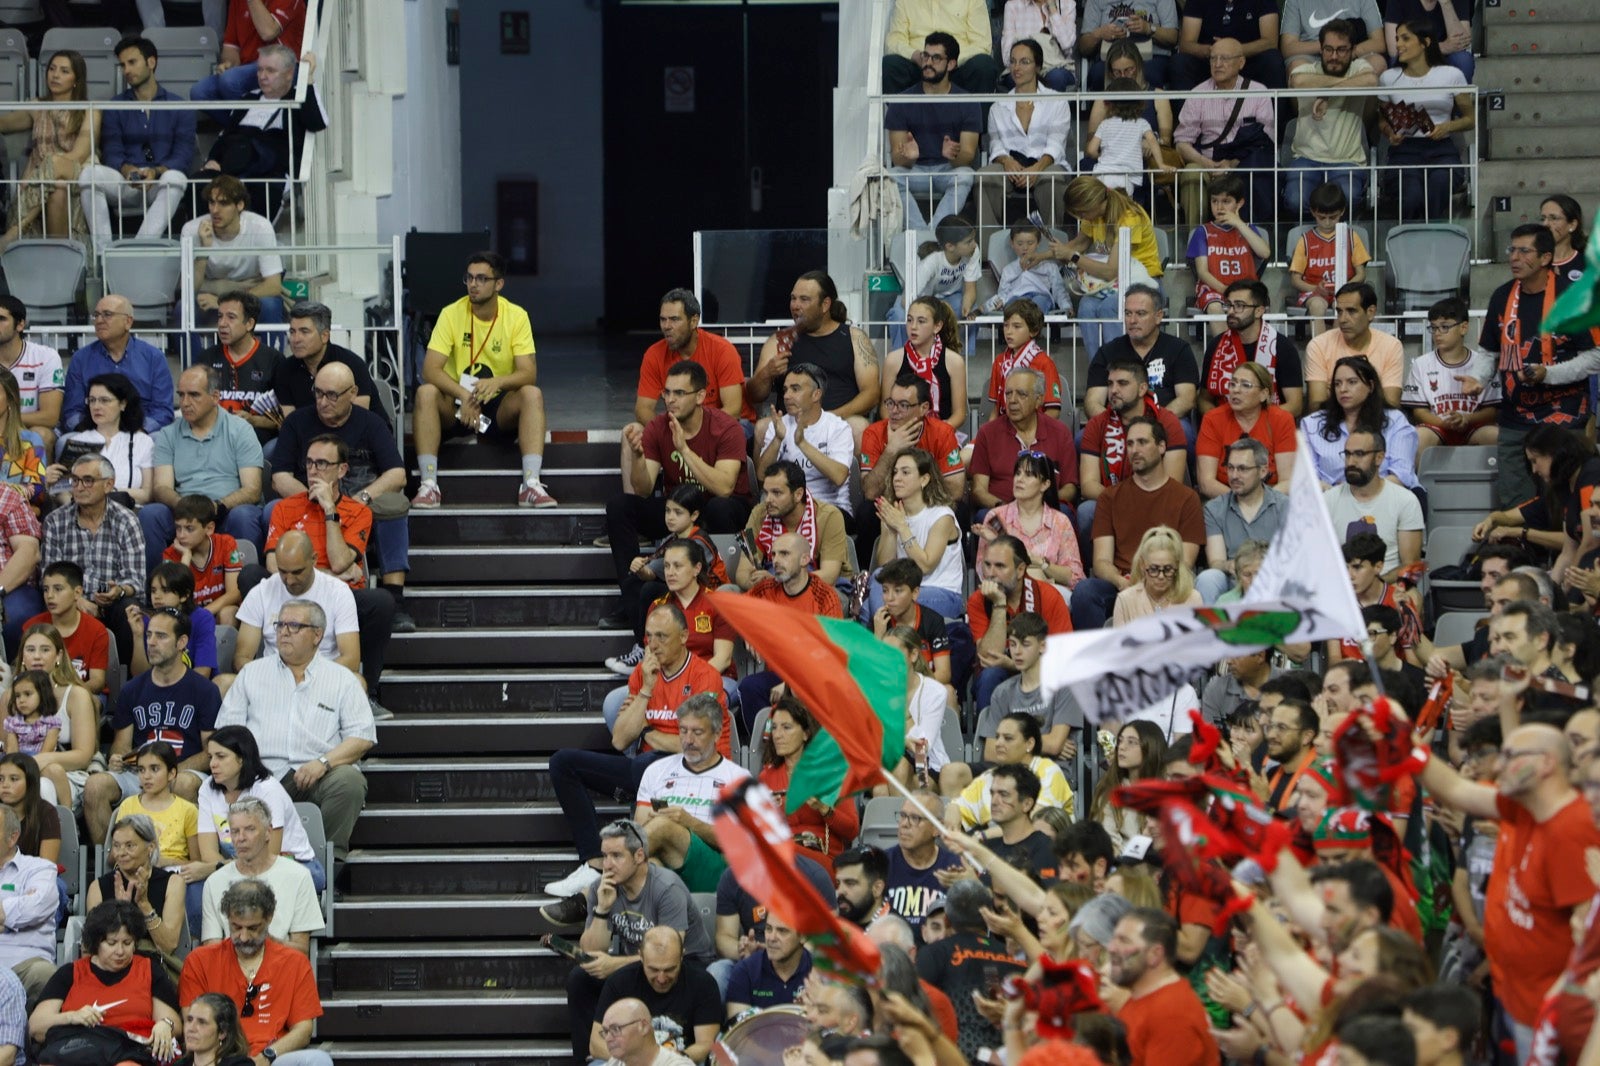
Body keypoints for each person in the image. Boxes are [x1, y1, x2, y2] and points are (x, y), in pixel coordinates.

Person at [1415, 718, 1600, 1063]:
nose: (1499, 765)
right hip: (1512, 995)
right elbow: (1457, 790)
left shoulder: (1573, 830)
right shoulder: (1527, 805)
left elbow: (1588, 935)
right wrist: (1407, 745)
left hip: (1544, 1013)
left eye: (1511, 756)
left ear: (1546, 764)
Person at [543, 604, 729, 910]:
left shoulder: (703, 677)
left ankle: (605, 883)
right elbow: (619, 739)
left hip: (690, 774)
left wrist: (647, 732)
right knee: (563, 763)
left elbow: (695, 745)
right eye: (648, 637)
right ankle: (594, 861)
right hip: (643, 772)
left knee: (646, 763)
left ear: (684, 636)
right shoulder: (644, 674)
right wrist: (646, 689)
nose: (653, 645)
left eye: (661, 637)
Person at [215, 599, 376, 863]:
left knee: (349, 781)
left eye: (294, 626)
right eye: (280, 625)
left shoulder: (342, 679)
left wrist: (323, 763)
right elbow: (226, 734)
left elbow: (362, 737)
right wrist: (248, 770)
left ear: (317, 635)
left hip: (317, 775)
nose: (284, 632)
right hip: (258, 775)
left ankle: (323, 862)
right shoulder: (252, 673)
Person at [272, 362, 413, 633]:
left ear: (353, 393)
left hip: (362, 498)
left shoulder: (371, 423)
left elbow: (397, 474)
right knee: (272, 509)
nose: (323, 402)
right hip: (310, 497)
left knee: (395, 504)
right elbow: (279, 477)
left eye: (332, 395)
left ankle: (395, 597)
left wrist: (357, 501)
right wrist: (314, 499)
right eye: (318, 393)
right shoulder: (297, 422)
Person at [411, 251, 554, 508]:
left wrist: (498, 382)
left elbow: (528, 373)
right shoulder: (451, 313)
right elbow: (430, 369)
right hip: (457, 405)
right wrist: (464, 395)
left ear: (499, 284)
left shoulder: (516, 316)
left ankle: (531, 484)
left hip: (497, 407)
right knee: (426, 393)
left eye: (481, 278)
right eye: (469, 278)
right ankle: (428, 485)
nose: (473, 284)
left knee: (532, 394)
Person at [559, 821, 712, 1059]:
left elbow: (669, 952)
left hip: (685, 963)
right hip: (638, 964)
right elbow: (591, 952)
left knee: (660, 971)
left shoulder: (666, 888)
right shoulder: (602, 887)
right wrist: (602, 909)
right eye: (605, 856)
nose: (607, 865)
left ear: (639, 855)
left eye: (617, 856)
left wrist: (614, 965)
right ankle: (592, 1059)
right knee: (581, 978)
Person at [1478, 224, 1600, 509]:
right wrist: (1478, 379)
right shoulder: (1501, 296)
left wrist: (1550, 374)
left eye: (1524, 251)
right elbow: (1488, 352)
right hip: (1514, 420)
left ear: (1546, 257)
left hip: (1564, 419)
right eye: (1512, 250)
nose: (1514, 257)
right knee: (1514, 502)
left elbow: (1595, 356)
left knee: (1567, 501)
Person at [81, 608, 218, 848]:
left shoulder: (204, 690)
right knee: (95, 786)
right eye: (149, 635)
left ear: (181, 642)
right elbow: (122, 744)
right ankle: (114, 860)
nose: (152, 642)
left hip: (183, 771)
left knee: (184, 784)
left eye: (161, 636)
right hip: (140, 772)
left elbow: (211, 751)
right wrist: (118, 758)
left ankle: (180, 858)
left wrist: (171, 772)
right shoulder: (132, 689)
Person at [180, 878, 331, 1066]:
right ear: (227, 919)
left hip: (272, 1058)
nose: (243, 937)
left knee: (318, 1060)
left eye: (253, 928)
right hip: (218, 1059)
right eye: (236, 927)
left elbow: (303, 1030)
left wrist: (267, 1056)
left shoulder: (295, 962)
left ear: (269, 918)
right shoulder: (199, 961)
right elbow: (192, 1028)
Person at [1074, 416, 1205, 630]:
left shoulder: (1187, 498)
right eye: (1130, 444)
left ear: (1162, 447)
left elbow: (1185, 562)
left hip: (1167, 581)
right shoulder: (1110, 497)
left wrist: (1152, 580)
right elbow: (1101, 561)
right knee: (1085, 592)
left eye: (1142, 442)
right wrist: (1123, 582)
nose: (1134, 450)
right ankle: (1100, 651)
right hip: (1122, 583)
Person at [191, 725, 322, 938]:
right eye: (210, 757)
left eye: (221, 756)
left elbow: (270, 856)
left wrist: (217, 868)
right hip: (240, 866)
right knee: (196, 889)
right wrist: (222, 868)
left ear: (242, 758)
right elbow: (208, 853)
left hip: (293, 865)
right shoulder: (207, 788)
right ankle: (213, 947)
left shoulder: (267, 789)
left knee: (258, 892)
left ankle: (260, 947)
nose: (212, 764)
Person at [142, 365, 267, 573]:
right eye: (181, 395)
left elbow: (252, 489)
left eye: (194, 395)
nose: (184, 403)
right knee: (151, 514)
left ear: (215, 397)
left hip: (226, 511)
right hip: (183, 512)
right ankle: (157, 586)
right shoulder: (168, 434)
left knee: (244, 515)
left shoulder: (240, 430)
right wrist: (185, 506)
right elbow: (161, 487)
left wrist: (216, 506)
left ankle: (246, 587)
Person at [1026, 177, 1164, 355]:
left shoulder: (1129, 217)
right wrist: (1041, 256)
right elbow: (1079, 244)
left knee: (1109, 307)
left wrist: (1072, 256)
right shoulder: (1094, 215)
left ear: (1093, 204)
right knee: (1086, 307)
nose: (1080, 218)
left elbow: (1110, 271)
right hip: (1113, 284)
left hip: (1144, 281)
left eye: (1081, 213)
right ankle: (1098, 367)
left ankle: (1120, 365)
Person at [27, 900, 180, 1062]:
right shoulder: (70, 973)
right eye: (111, 943)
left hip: (128, 1054)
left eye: (127, 943)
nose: (120, 951)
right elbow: (36, 1027)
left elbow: (174, 1023)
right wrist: (72, 1017)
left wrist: (166, 1025)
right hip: (76, 1052)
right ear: (96, 943)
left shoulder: (149, 970)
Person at [77, 36, 195, 245]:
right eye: (123, 65)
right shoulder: (115, 105)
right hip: (126, 181)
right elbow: (112, 151)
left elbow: (183, 155)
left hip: (159, 182)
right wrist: (128, 170)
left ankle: (141, 247)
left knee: (176, 178)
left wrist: (155, 172)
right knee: (89, 174)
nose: (127, 70)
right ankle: (103, 253)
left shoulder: (180, 106)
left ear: (151, 62)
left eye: (132, 62)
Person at [633, 695, 749, 894]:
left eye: (697, 732)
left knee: (662, 827)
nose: (688, 740)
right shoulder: (656, 771)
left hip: (713, 867)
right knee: (649, 867)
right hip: (665, 862)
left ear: (717, 734)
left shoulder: (739, 779)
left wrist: (689, 823)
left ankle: (598, 886)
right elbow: (640, 829)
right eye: (683, 730)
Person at [747, 272, 881, 445]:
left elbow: (871, 394)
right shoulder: (779, 341)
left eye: (804, 299)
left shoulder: (854, 338)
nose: (795, 306)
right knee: (762, 428)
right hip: (790, 428)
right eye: (793, 298)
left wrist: (828, 419)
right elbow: (754, 395)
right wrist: (767, 373)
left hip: (839, 424)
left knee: (859, 426)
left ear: (825, 304)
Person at [199, 45, 328, 219]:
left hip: (270, 173)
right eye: (260, 70)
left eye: (270, 71)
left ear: (289, 73)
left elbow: (317, 123)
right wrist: (213, 158)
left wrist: (309, 79)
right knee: (200, 182)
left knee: (263, 191)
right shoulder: (248, 98)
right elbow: (226, 135)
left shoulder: (297, 99)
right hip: (233, 168)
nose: (262, 76)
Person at [42, 454, 146, 666]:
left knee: (129, 609)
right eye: (75, 480)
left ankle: (126, 678)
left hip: (113, 601)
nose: (79, 487)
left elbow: (136, 579)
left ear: (108, 484)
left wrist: (118, 590)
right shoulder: (55, 521)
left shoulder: (127, 521)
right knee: (61, 604)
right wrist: (77, 599)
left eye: (88, 480)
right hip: (72, 599)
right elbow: (50, 575)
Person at [736, 534, 844, 728]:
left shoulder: (824, 596)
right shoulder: (767, 589)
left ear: (804, 559)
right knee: (749, 687)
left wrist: (791, 685)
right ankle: (769, 741)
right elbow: (737, 609)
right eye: (774, 555)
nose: (776, 561)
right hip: (777, 676)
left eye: (784, 554)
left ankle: (803, 739)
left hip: (814, 678)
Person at [884, 32, 981, 242]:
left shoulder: (968, 101)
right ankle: (925, 236)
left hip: (948, 169)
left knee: (966, 175)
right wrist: (909, 158)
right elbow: (897, 158)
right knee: (890, 177)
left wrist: (952, 156)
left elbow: (967, 156)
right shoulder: (901, 101)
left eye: (936, 58)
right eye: (925, 56)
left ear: (951, 64)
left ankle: (933, 234)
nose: (928, 63)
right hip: (915, 170)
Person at [915, 879, 1025, 1061]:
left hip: (953, 1058)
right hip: (1007, 1058)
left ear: (947, 920)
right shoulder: (1016, 958)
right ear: (989, 917)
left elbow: (915, 1005)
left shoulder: (933, 954)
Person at [1171, 39, 1278, 223]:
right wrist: (1207, 164)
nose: (1217, 64)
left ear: (1241, 62)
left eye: (1224, 58)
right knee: (1191, 173)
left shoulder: (1259, 92)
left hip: (1243, 163)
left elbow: (1267, 141)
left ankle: (1252, 234)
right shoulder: (1197, 93)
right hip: (1208, 164)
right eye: (1213, 58)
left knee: (1257, 167)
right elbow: (1181, 143)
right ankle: (1195, 234)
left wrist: (1232, 163)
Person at [0, 50, 98, 250]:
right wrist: (45, 178)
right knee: (57, 189)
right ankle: (58, 255)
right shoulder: (37, 106)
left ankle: (14, 232)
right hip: (43, 184)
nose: (55, 75)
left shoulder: (89, 110)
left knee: (56, 166)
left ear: (76, 80)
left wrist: (42, 172)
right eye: (52, 69)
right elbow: (4, 124)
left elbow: (78, 155)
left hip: (74, 176)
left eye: (64, 71)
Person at [1283, 20, 1380, 218]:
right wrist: (1340, 86)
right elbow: (1298, 81)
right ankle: (1309, 237)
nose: (1334, 56)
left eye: (1341, 50)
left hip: (1347, 160)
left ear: (1353, 50)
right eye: (1328, 49)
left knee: (1349, 197)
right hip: (1306, 158)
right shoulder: (1308, 69)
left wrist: (1327, 93)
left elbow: (1371, 80)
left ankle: (1342, 237)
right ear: (1320, 49)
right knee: (1295, 200)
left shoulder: (1359, 68)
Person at [1377, 20, 1472, 222]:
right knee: (1410, 196)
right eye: (1397, 39)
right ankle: (1408, 238)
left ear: (1425, 42)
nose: (1398, 44)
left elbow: (1470, 119)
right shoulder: (1388, 78)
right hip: (1404, 151)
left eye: (1405, 39)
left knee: (1439, 184)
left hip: (1441, 149)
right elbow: (1382, 120)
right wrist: (1389, 132)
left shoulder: (1451, 74)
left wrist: (1447, 126)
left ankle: (1434, 234)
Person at [198, 798, 321, 953]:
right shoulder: (214, 882)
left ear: (268, 832)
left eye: (250, 829)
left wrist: (262, 939)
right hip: (230, 965)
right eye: (234, 831)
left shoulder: (299, 876)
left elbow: (301, 950)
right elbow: (212, 951)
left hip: (280, 963)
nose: (241, 838)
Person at [967, 536, 1073, 711]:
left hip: (1044, 676)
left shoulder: (1048, 596)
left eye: (1000, 566)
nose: (991, 573)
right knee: (990, 676)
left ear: (1020, 570)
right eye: (987, 565)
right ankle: (990, 730)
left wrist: (1013, 664)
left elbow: (1062, 659)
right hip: (999, 675)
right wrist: (999, 604)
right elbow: (989, 657)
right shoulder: (978, 600)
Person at [754, 698, 859, 873]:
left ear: (806, 734)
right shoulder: (767, 777)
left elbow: (852, 830)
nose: (777, 735)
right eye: (775, 728)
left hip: (822, 859)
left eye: (786, 727)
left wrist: (824, 809)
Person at [978, 41, 1072, 235]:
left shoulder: (1057, 101)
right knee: (984, 177)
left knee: (1052, 179)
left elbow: (1056, 146)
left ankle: (1052, 244)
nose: (1016, 68)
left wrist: (1036, 169)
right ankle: (989, 248)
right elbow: (995, 145)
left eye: (1024, 62)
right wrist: (1006, 161)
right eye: (1013, 61)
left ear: (1038, 67)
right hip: (1011, 164)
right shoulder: (998, 106)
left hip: (1046, 164)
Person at [1079, 356, 1189, 519]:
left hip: (1156, 501)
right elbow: (1088, 485)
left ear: (1142, 388)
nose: (1113, 390)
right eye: (1110, 384)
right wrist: (1122, 500)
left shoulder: (1166, 422)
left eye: (1122, 383)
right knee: (1087, 511)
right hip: (1113, 500)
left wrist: (1140, 502)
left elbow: (1173, 482)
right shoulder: (1097, 424)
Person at [1107, 907, 1219, 1065]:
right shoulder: (1142, 997)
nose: (1111, 948)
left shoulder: (1172, 1015)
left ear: (1155, 954)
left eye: (1124, 941)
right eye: (1114, 939)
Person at [630, 289, 745, 439]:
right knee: (632, 431)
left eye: (674, 319)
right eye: (663, 319)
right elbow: (643, 409)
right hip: (678, 428)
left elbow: (733, 410)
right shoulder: (654, 354)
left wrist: (693, 434)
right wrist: (669, 433)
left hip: (725, 427)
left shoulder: (722, 350)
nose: (666, 326)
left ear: (694, 321)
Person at [866, 449, 964, 620]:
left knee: (873, 607)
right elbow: (886, 565)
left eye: (905, 472)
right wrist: (891, 530)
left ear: (924, 479)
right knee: (878, 578)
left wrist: (902, 527)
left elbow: (925, 566)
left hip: (942, 593)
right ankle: (883, 627)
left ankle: (881, 629)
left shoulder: (942, 516)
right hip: (903, 590)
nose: (897, 478)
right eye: (895, 472)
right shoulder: (893, 513)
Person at [180, 174, 288, 326]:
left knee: (270, 305)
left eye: (223, 203)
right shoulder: (192, 229)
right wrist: (203, 251)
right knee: (181, 309)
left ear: (240, 205)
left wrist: (225, 302)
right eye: (212, 202)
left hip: (248, 292)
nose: (215, 210)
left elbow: (273, 285)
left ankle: (268, 344)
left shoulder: (260, 227)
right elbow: (187, 290)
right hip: (210, 293)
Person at [10, 624, 98, 808]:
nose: (37, 656)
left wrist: (37, 761)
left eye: (45, 650)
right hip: (16, 773)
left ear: (58, 656)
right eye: (30, 650)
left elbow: (83, 756)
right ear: (22, 657)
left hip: (65, 775)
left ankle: (59, 823)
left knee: (41, 786)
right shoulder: (9, 697)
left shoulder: (76, 695)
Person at [86, 814, 187, 973]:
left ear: (150, 847)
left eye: (130, 845)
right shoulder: (98, 887)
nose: (121, 853)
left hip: (154, 968)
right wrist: (121, 911)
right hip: (110, 968)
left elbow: (168, 945)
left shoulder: (173, 883)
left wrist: (144, 905)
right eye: (116, 846)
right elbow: (91, 945)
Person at [1303, 355, 1421, 490]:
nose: (1343, 389)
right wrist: (1336, 495)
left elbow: (1401, 476)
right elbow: (1308, 478)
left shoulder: (1395, 421)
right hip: (1330, 498)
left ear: (1370, 386)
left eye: (1352, 382)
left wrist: (1353, 492)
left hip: (1388, 495)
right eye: (1337, 384)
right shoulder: (1312, 423)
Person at [61, 294, 175, 433]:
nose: (99, 321)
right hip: (94, 430)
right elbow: (72, 411)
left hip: (141, 431)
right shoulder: (81, 359)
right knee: (65, 441)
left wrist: (139, 431)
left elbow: (163, 411)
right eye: (96, 315)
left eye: (107, 314)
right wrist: (92, 433)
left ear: (128, 322)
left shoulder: (154, 358)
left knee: (157, 439)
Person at [972, 452, 1084, 590]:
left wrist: (1040, 563)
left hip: (1053, 593)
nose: (1019, 479)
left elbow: (1074, 576)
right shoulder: (996, 518)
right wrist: (997, 542)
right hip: (1006, 592)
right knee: (1033, 575)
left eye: (1029, 475)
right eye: (1018, 473)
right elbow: (984, 571)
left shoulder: (1060, 521)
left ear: (1045, 484)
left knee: (1036, 577)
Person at [758, 364, 855, 522]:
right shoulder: (779, 426)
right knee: (757, 518)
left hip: (830, 509)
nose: (787, 396)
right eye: (785, 390)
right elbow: (762, 476)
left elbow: (839, 476)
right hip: (786, 508)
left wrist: (802, 444)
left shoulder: (837, 427)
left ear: (816, 394)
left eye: (795, 389)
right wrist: (777, 440)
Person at [1083, 285, 1196, 420]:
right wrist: (1117, 424)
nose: (1132, 320)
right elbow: (1092, 403)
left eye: (1140, 313)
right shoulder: (1107, 352)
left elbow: (1187, 399)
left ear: (1158, 316)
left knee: (1183, 429)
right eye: (1128, 313)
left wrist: (1152, 424)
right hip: (1116, 423)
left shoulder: (1178, 349)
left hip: (1166, 421)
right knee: (1084, 433)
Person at [1402, 296, 1498, 455]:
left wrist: (1466, 419)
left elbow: (1492, 411)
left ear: (1464, 328)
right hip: (1437, 426)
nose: (1437, 333)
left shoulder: (1482, 363)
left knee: (1495, 436)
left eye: (1445, 327)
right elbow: (1419, 411)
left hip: (1473, 426)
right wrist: (1444, 423)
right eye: (1434, 328)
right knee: (1418, 437)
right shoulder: (1421, 364)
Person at [1324, 429, 1425, 577]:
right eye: (1347, 454)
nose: (1351, 462)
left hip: (1388, 585)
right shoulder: (1327, 501)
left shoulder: (1405, 501)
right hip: (1340, 585)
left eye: (1359, 454)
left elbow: (1410, 566)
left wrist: (1376, 586)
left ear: (1379, 458)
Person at [737, 462, 853, 590]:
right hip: (769, 590)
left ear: (798, 494)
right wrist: (756, 583)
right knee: (728, 590)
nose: (768, 500)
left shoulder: (830, 516)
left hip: (820, 589)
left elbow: (829, 576)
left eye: (776, 493)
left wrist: (777, 582)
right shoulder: (758, 513)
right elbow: (743, 571)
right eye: (766, 492)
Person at [1197, 439, 1288, 603]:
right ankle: (1213, 621)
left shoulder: (1285, 506)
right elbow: (1216, 561)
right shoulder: (1215, 509)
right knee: (1208, 578)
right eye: (1230, 468)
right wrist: (1230, 565)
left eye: (1242, 469)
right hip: (1234, 582)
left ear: (1263, 471)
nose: (1234, 475)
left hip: (1273, 580)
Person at [48, 372, 154, 507]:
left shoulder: (142, 441)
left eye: (104, 400)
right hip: (83, 512)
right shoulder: (77, 441)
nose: (96, 406)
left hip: (129, 512)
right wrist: (52, 482)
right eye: (92, 400)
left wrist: (105, 493)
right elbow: (63, 491)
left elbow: (147, 494)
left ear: (123, 404)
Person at [1199, 279, 1304, 414]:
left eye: (1239, 305)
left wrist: (1253, 419)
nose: (1231, 311)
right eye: (1229, 305)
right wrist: (1220, 421)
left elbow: (1295, 405)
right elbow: (1204, 399)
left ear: (1259, 311)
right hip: (1225, 422)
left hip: (1269, 422)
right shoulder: (1216, 345)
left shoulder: (1282, 347)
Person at [1195, 361, 1298, 497]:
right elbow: (1206, 483)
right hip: (1224, 497)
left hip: (1272, 497)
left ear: (1263, 394)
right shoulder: (1213, 419)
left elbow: (1287, 481)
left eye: (1245, 385)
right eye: (1233, 384)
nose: (1235, 390)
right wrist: (1242, 501)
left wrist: (1261, 502)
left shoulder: (1282, 420)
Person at [195, 292, 285, 444]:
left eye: (231, 317)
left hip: (257, 443)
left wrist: (252, 420)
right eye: (220, 316)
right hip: (213, 441)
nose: (222, 324)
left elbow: (284, 419)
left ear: (249, 324)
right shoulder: (206, 358)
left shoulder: (274, 360)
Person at [1185, 173, 1271, 332]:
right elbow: (1202, 272)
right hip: (1215, 289)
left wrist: (1239, 223)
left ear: (1239, 203)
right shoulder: (1203, 231)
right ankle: (1225, 346)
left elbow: (1265, 253)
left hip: (1246, 289)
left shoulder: (1247, 229)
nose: (1219, 207)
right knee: (1215, 307)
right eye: (1214, 201)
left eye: (1226, 201)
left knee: (1251, 306)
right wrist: (1226, 290)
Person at [274, 301, 381, 420]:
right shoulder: (285, 369)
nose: (296, 339)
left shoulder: (352, 365)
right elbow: (291, 422)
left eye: (304, 332)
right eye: (292, 332)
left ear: (325, 336)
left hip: (362, 429)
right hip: (306, 431)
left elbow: (358, 421)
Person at [1305, 283, 1405, 408]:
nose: (1342, 319)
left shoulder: (1391, 346)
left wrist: (1335, 395)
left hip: (1375, 420)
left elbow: (1391, 405)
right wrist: (1370, 393)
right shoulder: (1318, 345)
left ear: (1370, 312)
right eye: (1339, 312)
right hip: (1333, 420)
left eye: (1351, 311)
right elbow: (1316, 407)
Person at [1288, 183, 1373, 329]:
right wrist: (1315, 288)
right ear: (1313, 212)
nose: (1327, 223)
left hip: (1344, 292)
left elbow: (1361, 274)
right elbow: (1295, 280)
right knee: (1317, 305)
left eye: (1332, 217)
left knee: (1341, 305)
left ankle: (1336, 343)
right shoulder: (1305, 240)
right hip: (1314, 292)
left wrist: (1345, 287)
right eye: (1322, 217)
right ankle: (1320, 344)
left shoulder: (1351, 237)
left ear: (1342, 211)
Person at [187, 0, 308, 101]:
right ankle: (245, 121)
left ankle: (248, 121)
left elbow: (268, 32)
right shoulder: (238, 2)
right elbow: (231, 47)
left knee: (230, 80)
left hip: (282, 67)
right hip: (248, 69)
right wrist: (228, 64)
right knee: (200, 92)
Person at [886, 297, 970, 435]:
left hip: (941, 434)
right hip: (902, 434)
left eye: (921, 321)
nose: (913, 326)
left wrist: (933, 434)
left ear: (937, 326)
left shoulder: (954, 362)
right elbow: (885, 410)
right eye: (909, 320)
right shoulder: (893, 360)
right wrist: (905, 433)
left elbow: (959, 414)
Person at [882, 791, 962, 936]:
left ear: (937, 828)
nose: (904, 824)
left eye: (915, 818)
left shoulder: (954, 867)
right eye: (903, 816)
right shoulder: (881, 864)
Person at [0, 803, 57, 998]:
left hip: (24, 965)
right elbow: (26, 909)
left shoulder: (40, 869)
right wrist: (15, 909)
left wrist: (4, 914)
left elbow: (36, 907)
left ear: (12, 837)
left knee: (45, 975)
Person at [882, 5, 999, 94]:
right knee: (891, 64)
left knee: (984, 66)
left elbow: (982, 44)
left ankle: (975, 120)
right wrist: (915, 55)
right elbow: (894, 41)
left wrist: (949, 61)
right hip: (920, 66)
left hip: (956, 68)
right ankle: (901, 119)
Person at [0, 295, 64, 453]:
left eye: (1, 319)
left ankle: (40, 471)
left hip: (29, 427)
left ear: (20, 324)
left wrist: (7, 420)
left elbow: (50, 417)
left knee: (41, 435)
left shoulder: (45, 357)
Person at [1086, 78, 1170, 197]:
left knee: (1104, 205)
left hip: (1103, 175)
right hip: (1128, 177)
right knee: (1123, 207)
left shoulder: (1104, 124)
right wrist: (1161, 164)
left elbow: (1091, 150)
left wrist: (1100, 156)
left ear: (1109, 104)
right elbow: (1152, 142)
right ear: (1140, 103)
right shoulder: (1142, 123)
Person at [724, 913, 811, 1018]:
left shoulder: (821, 973)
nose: (771, 938)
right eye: (768, 929)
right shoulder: (745, 972)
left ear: (803, 936)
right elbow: (741, 1027)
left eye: (782, 931)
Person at [1112, 525, 1202, 626]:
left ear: (1177, 565)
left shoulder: (1193, 598)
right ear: (1142, 565)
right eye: (1154, 569)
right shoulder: (1125, 600)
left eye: (1168, 569)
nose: (1161, 576)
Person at [1078, 1, 1180, 89]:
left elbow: (1172, 37)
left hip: (1151, 57)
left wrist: (1148, 28)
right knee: (1099, 74)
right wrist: (1100, 34)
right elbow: (1083, 47)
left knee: (1150, 74)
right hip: (1110, 57)